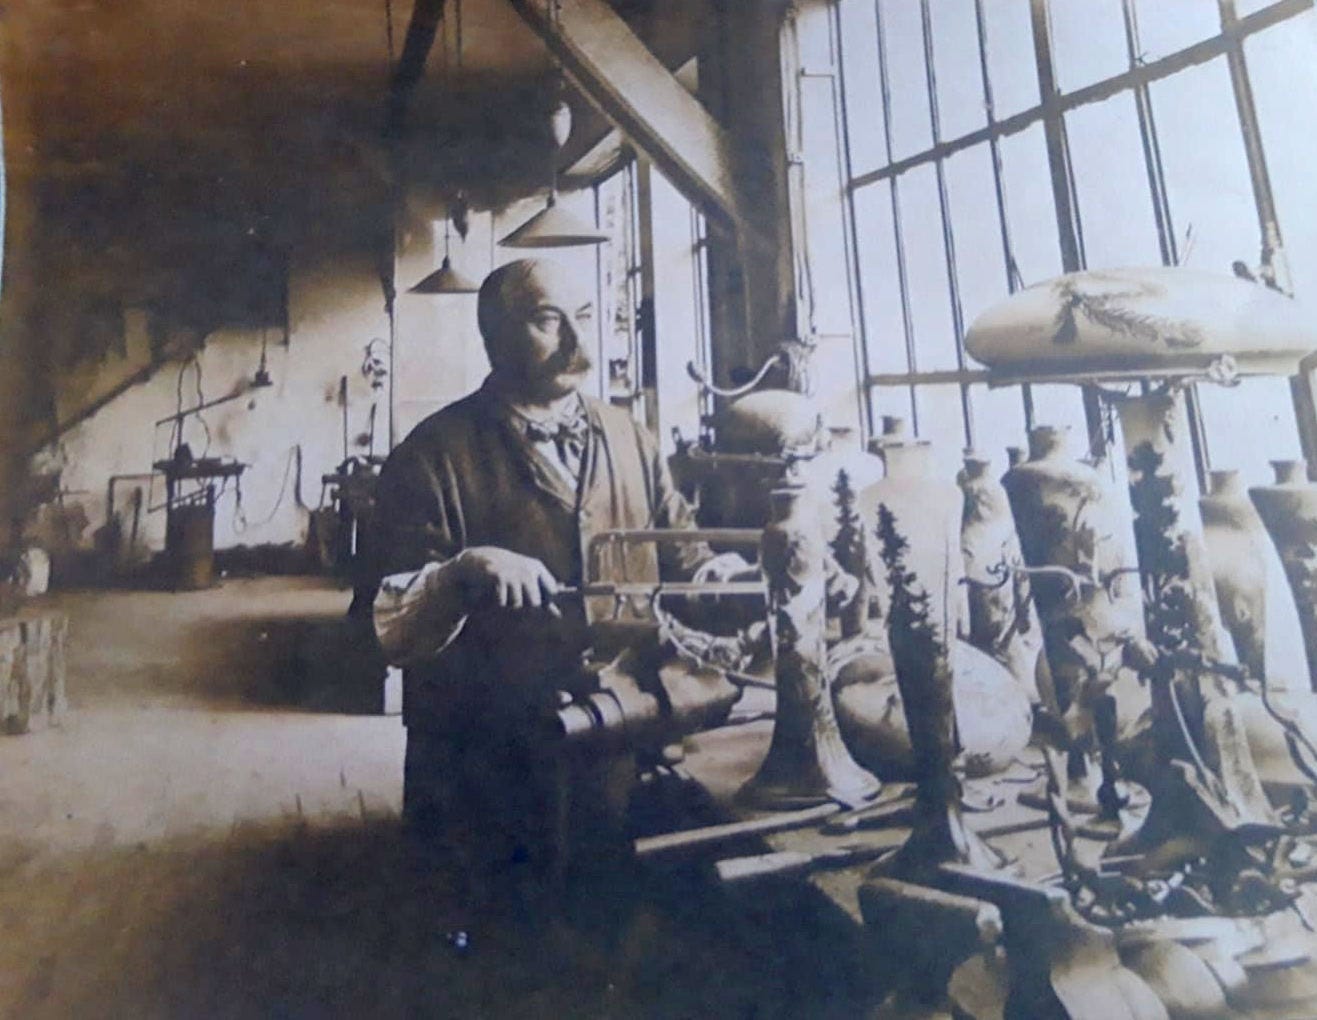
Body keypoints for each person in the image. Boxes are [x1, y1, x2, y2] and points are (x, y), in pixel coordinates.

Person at [369, 258, 745, 905]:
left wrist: (727, 575)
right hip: (485, 758)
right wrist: (462, 571)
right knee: (494, 939)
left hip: (618, 739)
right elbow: (379, 624)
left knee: (605, 916)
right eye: (548, 320)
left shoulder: (631, 435)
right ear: (492, 333)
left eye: (587, 317)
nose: (576, 341)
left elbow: (684, 551)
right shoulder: (433, 453)